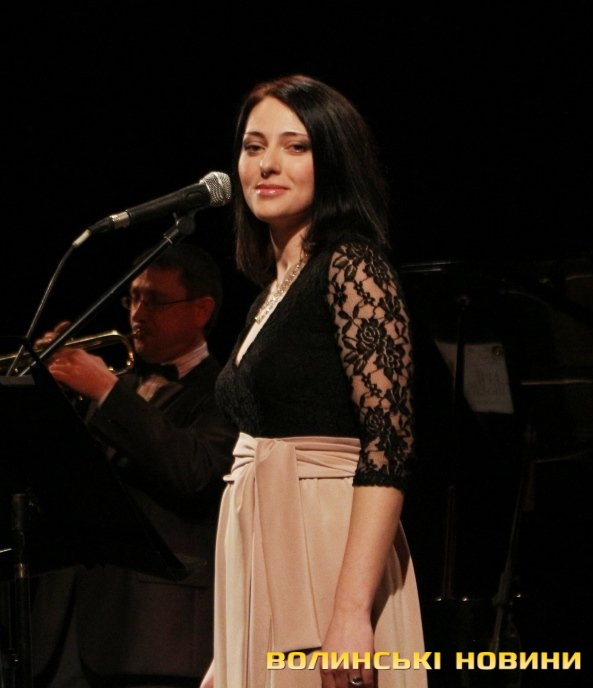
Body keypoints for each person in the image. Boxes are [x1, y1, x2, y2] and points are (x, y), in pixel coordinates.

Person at [202, 75, 427, 688]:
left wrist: (351, 613)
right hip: (263, 552)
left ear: (332, 160)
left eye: (295, 146)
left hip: (327, 543)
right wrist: (233, 641)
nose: (267, 164)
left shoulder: (353, 266)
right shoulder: (270, 292)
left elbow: (389, 445)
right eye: (253, 147)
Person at [30, 243, 238, 688]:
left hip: (152, 635)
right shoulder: (115, 386)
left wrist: (107, 392)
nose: (138, 314)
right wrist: (49, 394)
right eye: (134, 298)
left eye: (155, 301)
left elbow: (195, 473)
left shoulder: (228, 391)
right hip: (64, 632)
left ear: (201, 310)